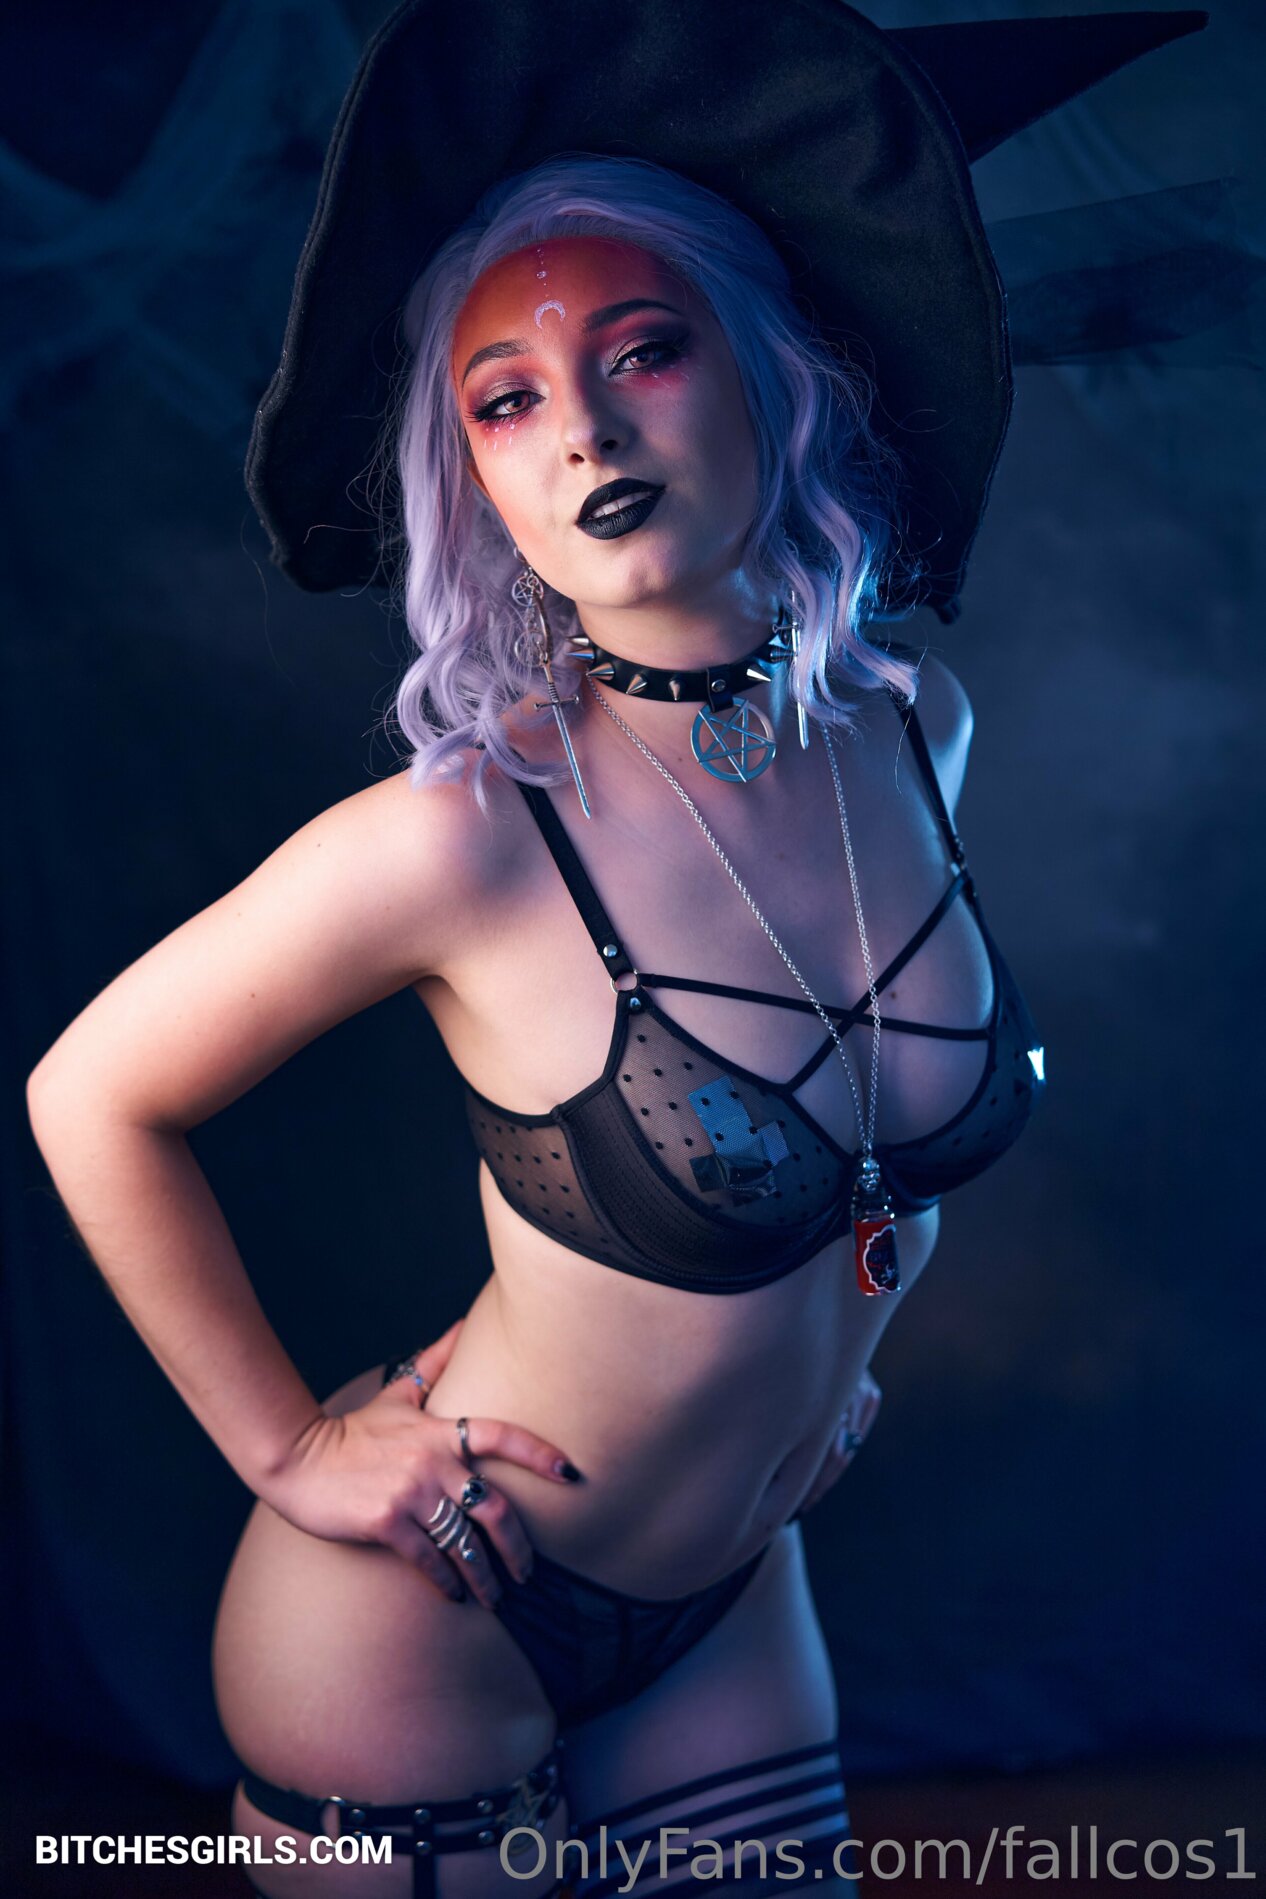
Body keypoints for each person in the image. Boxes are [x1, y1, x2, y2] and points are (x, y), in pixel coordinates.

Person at [26, 3, 1211, 1893]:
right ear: (477, 481)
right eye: (505, 400)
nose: (582, 428)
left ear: (770, 376)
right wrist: (287, 1450)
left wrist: (828, 1352)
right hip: (431, 1617)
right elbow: (87, 1093)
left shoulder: (913, 731)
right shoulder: (467, 836)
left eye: (642, 351)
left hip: (732, 1595)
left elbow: (864, 1104)